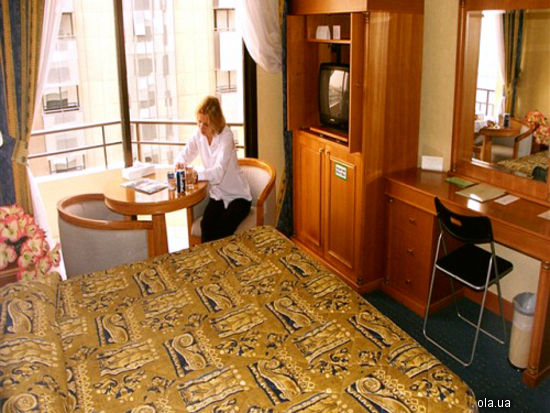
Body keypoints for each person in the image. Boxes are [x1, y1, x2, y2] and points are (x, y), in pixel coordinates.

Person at [175, 96, 252, 242]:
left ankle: (225, 257)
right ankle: (207, 257)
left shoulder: (226, 136)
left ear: (215, 122)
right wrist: (179, 164)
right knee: (206, 226)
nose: (201, 128)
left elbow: (218, 172)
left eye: (206, 124)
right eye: (199, 121)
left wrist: (196, 175)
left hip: (238, 197)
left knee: (222, 230)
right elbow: (184, 155)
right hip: (218, 195)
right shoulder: (198, 135)